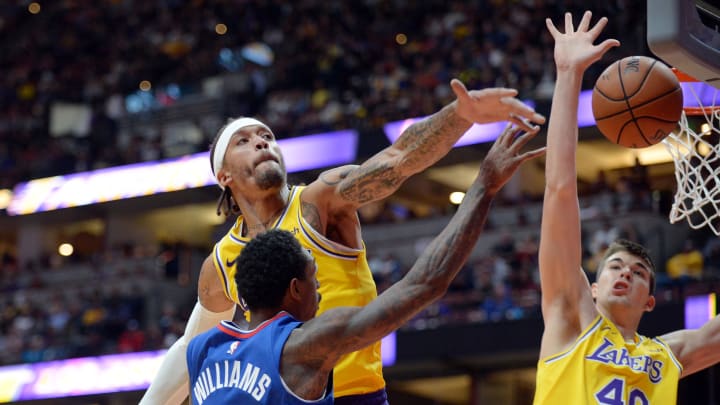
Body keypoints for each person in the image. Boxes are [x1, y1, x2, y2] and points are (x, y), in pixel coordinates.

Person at [140, 78, 546, 405]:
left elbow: (397, 159)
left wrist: (461, 115)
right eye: (243, 141)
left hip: (357, 395)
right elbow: (192, 347)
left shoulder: (320, 201)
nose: (263, 142)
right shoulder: (222, 261)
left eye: (266, 136)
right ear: (223, 175)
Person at [534, 11, 720, 404]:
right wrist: (568, 74)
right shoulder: (571, 320)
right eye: (615, 267)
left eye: (638, 273)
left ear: (649, 301)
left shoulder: (667, 355)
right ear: (594, 287)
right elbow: (560, 190)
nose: (625, 274)